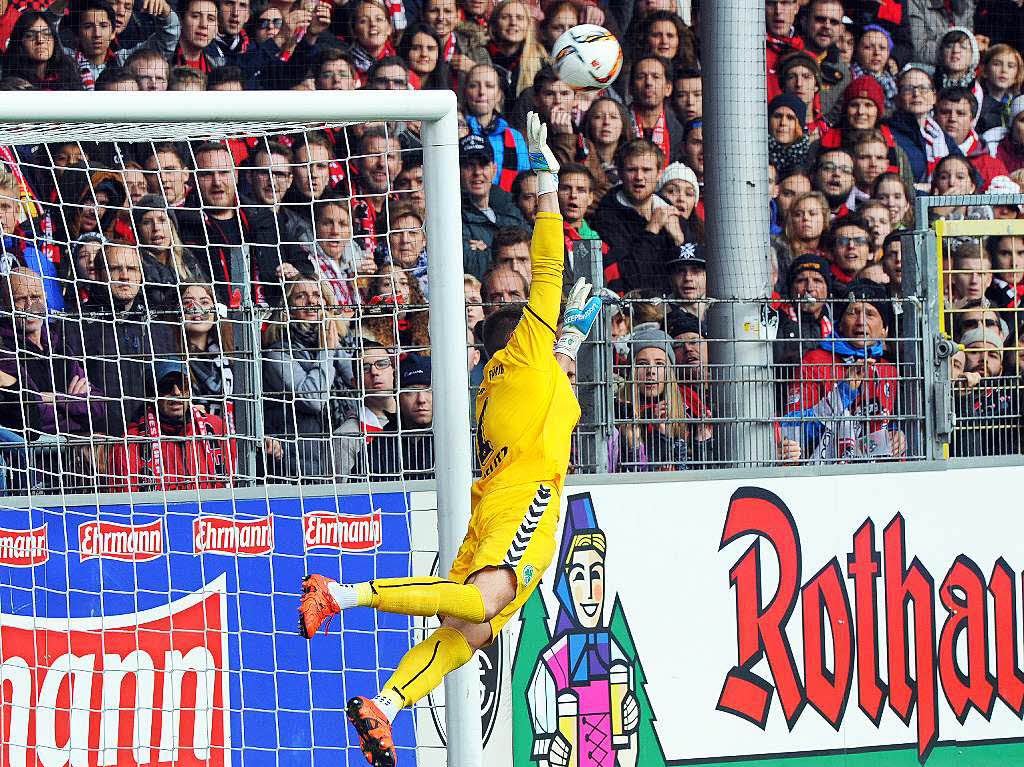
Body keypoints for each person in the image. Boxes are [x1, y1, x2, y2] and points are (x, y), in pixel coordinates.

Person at [297, 112, 605, 767]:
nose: (539, 311)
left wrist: (570, 339)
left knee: (469, 629)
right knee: (482, 606)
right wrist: (545, 176)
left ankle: (386, 703)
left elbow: (554, 377)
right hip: (523, 500)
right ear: (524, 333)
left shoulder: (509, 377)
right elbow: (549, 265)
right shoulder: (523, 352)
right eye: (537, 321)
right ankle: (344, 594)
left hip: (503, 499)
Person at [783, 279, 905, 462]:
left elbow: (892, 421)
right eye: (852, 313)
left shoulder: (889, 370)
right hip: (826, 474)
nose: (861, 321)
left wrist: (897, 436)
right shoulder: (814, 361)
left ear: (884, 331)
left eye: (870, 314)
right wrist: (843, 392)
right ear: (839, 324)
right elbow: (791, 429)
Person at [80, 241, 176, 436]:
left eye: (132, 268)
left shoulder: (160, 330)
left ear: (141, 276)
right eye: (116, 269)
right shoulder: (75, 326)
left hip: (153, 445)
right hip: (98, 444)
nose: (125, 276)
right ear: (98, 274)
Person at [262, 277, 351, 479]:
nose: (311, 302)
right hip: (300, 465)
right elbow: (313, 400)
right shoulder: (278, 352)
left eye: (317, 295)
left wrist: (335, 344)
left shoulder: (341, 340)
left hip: (342, 457)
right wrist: (326, 351)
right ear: (288, 308)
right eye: (301, 296)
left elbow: (356, 381)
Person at [0, 268, 103, 438]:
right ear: (5, 303)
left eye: (35, 297)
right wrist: (74, 404)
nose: (29, 306)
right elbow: (35, 414)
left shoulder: (60, 347)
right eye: (20, 299)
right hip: (31, 458)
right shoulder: (5, 351)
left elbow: (98, 406)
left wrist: (56, 399)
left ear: (45, 297)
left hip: (71, 457)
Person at [106, 359, 236, 491]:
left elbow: (234, 482)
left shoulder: (217, 428)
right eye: (166, 386)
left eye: (182, 384)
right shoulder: (130, 444)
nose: (177, 392)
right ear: (151, 393)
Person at [591, 139, 686, 294]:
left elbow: (692, 272)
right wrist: (652, 229)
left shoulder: (670, 210)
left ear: (659, 173)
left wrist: (680, 239)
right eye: (632, 169)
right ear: (620, 173)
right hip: (632, 309)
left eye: (646, 170)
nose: (639, 177)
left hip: (672, 306)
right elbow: (630, 277)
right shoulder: (607, 215)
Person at [611, 325, 690, 471]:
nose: (651, 371)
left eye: (659, 364)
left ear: (669, 372)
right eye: (642, 364)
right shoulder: (616, 413)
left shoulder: (687, 413)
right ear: (631, 371)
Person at [459, 133, 528, 278]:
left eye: (483, 165)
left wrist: (488, 249)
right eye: (469, 166)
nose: (477, 172)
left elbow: (533, 251)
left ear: (494, 169)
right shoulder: (453, 215)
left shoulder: (510, 206)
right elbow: (471, 264)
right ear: (458, 171)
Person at [460, 63, 529, 190]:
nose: (481, 92)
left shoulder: (514, 137)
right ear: (464, 92)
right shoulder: (453, 131)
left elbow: (524, 183)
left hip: (507, 206)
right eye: (474, 85)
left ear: (499, 95)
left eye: (489, 86)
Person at [889, 63, 960, 187]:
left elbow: (969, 172)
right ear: (898, 98)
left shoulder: (939, 134)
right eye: (908, 89)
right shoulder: (888, 133)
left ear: (934, 98)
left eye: (923, 88)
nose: (916, 94)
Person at [933, 86, 1008, 188]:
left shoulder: (991, 166)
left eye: (961, 113)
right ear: (935, 116)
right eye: (945, 112)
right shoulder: (923, 154)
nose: (952, 118)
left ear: (972, 119)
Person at [774, 253, 834, 367]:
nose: (810, 288)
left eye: (817, 280)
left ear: (827, 290)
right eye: (801, 280)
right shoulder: (776, 322)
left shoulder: (836, 324)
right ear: (790, 289)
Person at [1, 12, 83, 90]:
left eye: (46, 34)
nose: (40, 40)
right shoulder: (9, 85)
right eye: (30, 36)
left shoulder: (70, 76)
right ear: (19, 42)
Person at [627, 55, 684, 166]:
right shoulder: (617, 123)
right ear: (630, 88)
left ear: (668, 88)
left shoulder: (679, 130)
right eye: (641, 76)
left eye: (656, 77)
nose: (648, 82)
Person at [768, 93, 813, 178]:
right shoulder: (757, 153)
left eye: (790, 118)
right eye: (777, 116)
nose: (783, 123)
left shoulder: (811, 156)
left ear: (800, 125)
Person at [827, 216, 873, 286]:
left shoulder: (881, 281)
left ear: (870, 253)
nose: (851, 246)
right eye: (842, 241)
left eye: (859, 241)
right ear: (831, 253)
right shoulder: (824, 283)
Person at [666, 243, 707, 319]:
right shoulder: (659, 314)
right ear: (671, 278)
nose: (688, 278)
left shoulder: (722, 309)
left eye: (696, 271)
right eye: (680, 271)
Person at [812, 146, 856, 215]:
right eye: (828, 167)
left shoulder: (856, 222)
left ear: (853, 182)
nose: (836, 174)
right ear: (813, 176)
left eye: (845, 170)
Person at [985, 234, 1024, 309]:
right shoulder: (982, 292)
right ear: (993, 256)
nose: (1014, 263)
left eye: (1021, 253)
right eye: (1005, 254)